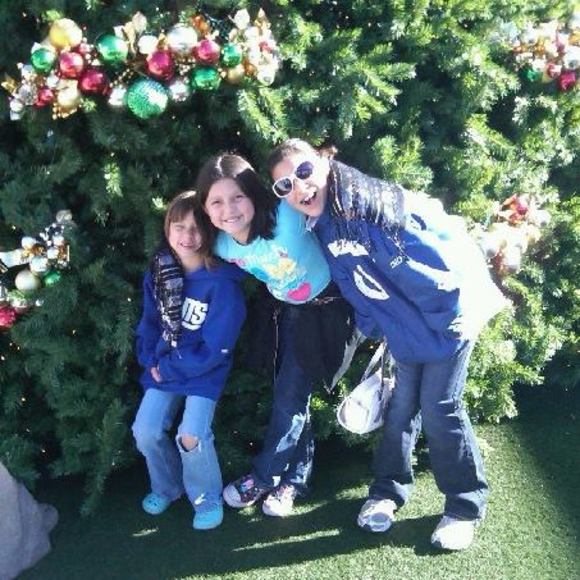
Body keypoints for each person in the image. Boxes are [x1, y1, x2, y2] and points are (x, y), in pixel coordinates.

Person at [267, 138, 506, 550]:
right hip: (406, 328)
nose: (300, 187)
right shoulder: (323, 224)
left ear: (324, 162)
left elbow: (428, 266)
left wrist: (444, 321)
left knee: (440, 407)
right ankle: (387, 491)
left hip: (449, 318)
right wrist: (374, 326)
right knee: (400, 408)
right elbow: (351, 281)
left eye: (303, 172)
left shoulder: (369, 204)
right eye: (285, 185)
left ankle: (464, 506)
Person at [195, 154, 356, 518]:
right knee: (290, 396)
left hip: (329, 309)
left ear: (254, 194)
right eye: (216, 202)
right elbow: (187, 244)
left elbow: (321, 187)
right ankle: (294, 481)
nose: (229, 210)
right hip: (287, 311)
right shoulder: (221, 245)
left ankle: (264, 477)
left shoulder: (286, 214)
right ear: (205, 209)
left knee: (289, 397)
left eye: (237, 197)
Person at [133, 191, 246, 531]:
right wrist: (150, 359)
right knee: (145, 430)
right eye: (178, 226)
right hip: (162, 367)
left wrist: (169, 367)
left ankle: (207, 498)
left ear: (210, 232)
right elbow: (149, 322)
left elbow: (217, 347)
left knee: (191, 434)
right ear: (167, 229)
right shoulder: (160, 272)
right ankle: (167, 487)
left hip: (203, 372)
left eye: (196, 228)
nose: (187, 236)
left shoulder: (222, 283)